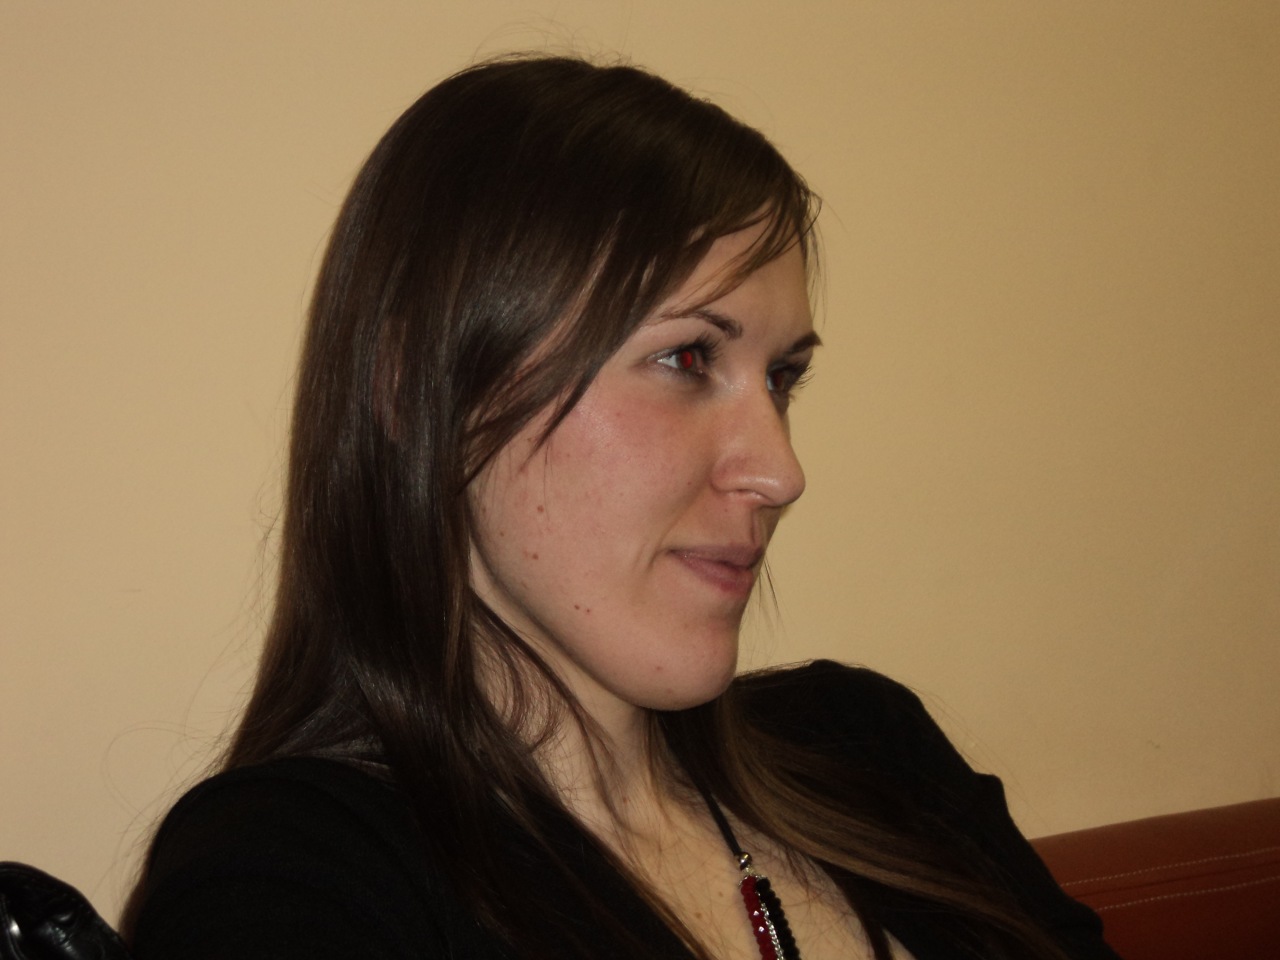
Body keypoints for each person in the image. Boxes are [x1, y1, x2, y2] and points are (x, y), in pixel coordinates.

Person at [122, 55, 1120, 960]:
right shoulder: (293, 873)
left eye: (781, 378)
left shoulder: (870, 753)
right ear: (417, 387)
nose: (780, 471)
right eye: (686, 359)